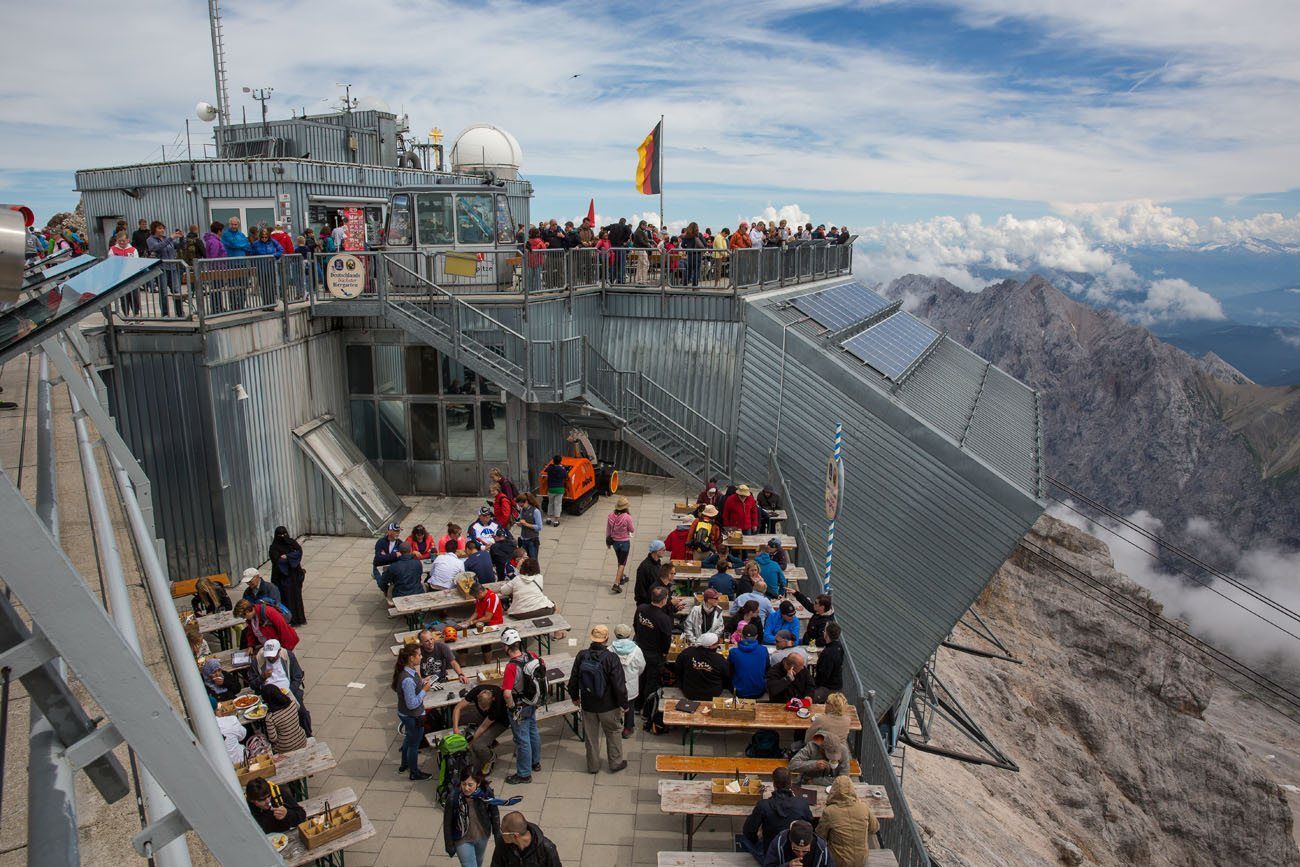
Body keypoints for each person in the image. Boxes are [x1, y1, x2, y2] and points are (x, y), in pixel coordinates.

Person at [568, 624, 629, 774]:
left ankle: (593, 766)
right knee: (613, 733)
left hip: (588, 704)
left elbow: (573, 679)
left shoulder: (582, 655)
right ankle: (615, 763)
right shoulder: (611, 658)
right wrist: (624, 704)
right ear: (606, 639)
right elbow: (619, 685)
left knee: (590, 736)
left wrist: (575, 697)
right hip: (609, 705)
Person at [499, 628, 545, 785]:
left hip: (519, 706)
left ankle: (524, 774)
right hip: (532, 702)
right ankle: (535, 762)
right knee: (533, 731)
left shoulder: (511, 667)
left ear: (506, 646)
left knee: (522, 740)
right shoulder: (532, 655)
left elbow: (506, 693)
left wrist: (511, 708)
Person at [739, 766, 813, 861]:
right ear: (790, 783)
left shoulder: (763, 805)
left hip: (770, 855)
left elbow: (748, 831)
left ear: (773, 784)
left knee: (744, 839)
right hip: (794, 852)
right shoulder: (802, 803)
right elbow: (810, 825)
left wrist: (760, 839)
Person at [442, 768, 503, 867]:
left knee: (478, 862)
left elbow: (494, 812)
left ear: (478, 783)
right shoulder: (453, 797)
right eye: (463, 784)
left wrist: (497, 835)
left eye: (470, 785)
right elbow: (447, 822)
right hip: (461, 838)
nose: (466, 788)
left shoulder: (486, 793)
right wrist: (449, 844)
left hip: (481, 835)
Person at [452, 680, 511, 775]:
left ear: (492, 700)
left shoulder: (497, 704)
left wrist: (470, 743)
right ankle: (491, 742)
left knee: (478, 745)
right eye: (482, 707)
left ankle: (490, 758)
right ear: (477, 698)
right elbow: (457, 708)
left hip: (501, 721)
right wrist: (455, 728)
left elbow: (483, 727)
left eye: (486, 708)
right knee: (460, 718)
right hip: (483, 717)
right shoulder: (476, 691)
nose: (485, 709)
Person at [819, 774, 880, 866]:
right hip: (862, 859)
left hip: (840, 861)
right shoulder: (863, 807)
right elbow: (875, 828)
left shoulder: (829, 812)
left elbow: (820, 836)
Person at [633, 585, 674, 719]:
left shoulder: (641, 609)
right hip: (653, 654)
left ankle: (637, 706)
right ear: (663, 600)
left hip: (639, 650)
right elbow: (666, 640)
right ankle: (647, 711)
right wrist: (664, 653)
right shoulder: (663, 619)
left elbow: (635, 625)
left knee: (640, 678)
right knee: (651, 681)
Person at [393, 645, 433, 780]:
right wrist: (424, 690)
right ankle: (414, 772)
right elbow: (412, 704)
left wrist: (422, 682)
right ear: (411, 658)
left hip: (404, 714)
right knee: (414, 745)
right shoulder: (408, 679)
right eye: (419, 655)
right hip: (412, 716)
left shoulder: (408, 671)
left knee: (409, 739)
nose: (421, 657)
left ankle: (404, 764)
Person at [610, 623, 644, 738]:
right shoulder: (636, 650)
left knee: (615, 704)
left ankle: (616, 723)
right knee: (630, 705)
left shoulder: (610, 650)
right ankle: (628, 728)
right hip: (631, 684)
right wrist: (635, 676)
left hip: (614, 684)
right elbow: (641, 666)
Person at [491, 811, 561, 867]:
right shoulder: (502, 843)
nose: (501, 834)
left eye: (503, 832)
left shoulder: (546, 848)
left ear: (515, 835)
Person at [268, 525, 307, 626]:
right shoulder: (274, 548)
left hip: (294, 576)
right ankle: (290, 620)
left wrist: (288, 557)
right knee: (286, 598)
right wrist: (289, 558)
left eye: (284, 534)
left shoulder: (291, 542)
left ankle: (299, 619)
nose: (283, 536)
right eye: (280, 534)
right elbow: (277, 561)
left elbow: (299, 551)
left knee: (297, 598)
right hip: (283, 578)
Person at [676, 632, 730, 701]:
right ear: (710, 646)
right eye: (717, 643)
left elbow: (678, 668)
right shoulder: (719, 659)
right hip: (713, 694)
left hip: (690, 692)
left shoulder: (687, 652)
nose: (718, 645)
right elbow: (727, 674)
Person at [762, 819, 834, 867]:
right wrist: (787, 865)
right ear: (790, 841)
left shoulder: (821, 847)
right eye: (796, 850)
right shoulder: (779, 842)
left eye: (805, 851)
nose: (800, 854)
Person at [234, 598, 298, 651]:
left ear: (247, 612)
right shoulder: (250, 619)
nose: (244, 618)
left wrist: (284, 649)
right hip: (269, 647)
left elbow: (283, 629)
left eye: (243, 616)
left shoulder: (269, 612)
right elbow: (251, 632)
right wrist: (251, 645)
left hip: (283, 645)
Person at [260, 683, 308, 754]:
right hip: (301, 739)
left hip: (285, 747)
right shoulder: (292, 704)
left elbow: (273, 739)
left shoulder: (270, 718)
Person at [729, 623, 769, 699]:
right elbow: (766, 668)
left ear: (741, 636)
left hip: (739, 692)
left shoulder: (734, 652)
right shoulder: (763, 650)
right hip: (758, 691)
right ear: (756, 636)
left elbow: (730, 670)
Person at [606, 496, 635, 594]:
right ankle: (616, 583)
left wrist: (607, 542)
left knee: (619, 560)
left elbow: (608, 530)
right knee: (623, 563)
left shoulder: (610, 516)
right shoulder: (627, 517)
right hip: (624, 542)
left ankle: (622, 577)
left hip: (614, 542)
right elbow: (632, 530)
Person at [813, 623, 845, 701]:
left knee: (808, 698)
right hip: (837, 684)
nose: (823, 632)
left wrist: (812, 685)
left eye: (824, 631)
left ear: (826, 635)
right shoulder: (839, 646)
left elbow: (823, 676)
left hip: (829, 688)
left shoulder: (828, 653)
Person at [633, 540, 667, 606]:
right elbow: (640, 587)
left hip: (655, 599)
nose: (665, 552)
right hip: (648, 602)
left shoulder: (657, 563)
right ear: (657, 551)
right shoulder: (645, 567)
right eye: (663, 550)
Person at [373, 522, 403, 589]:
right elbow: (378, 559)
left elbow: (401, 558)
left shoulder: (400, 543)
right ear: (389, 532)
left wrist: (386, 556)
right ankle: (388, 593)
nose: (398, 533)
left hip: (393, 566)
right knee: (382, 583)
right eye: (395, 531)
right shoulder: (381, 542)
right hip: (379, 567)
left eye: (398, 531)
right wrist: (395, 555)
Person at [514, 493, 543, 560]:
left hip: (532, 540)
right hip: (523, 539)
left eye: (521, 504)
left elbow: (539, 527)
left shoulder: (536, 511)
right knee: (524, 560)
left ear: (526, 501)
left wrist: (526, 524)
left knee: (533, 560)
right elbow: (523, 523)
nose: (520, 506)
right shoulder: (522, 510)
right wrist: (520, 524)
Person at [542, 456, 568, 527]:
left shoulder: (550, 468)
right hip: (560, 489)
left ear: (553, 461)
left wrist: (550, 465)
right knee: (558, 504)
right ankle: (556, 521)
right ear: (560, 461)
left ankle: (548, 518)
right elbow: (566, 476)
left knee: (550, 503)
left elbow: (545, 469)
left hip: (551, 489)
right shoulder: (562, 469)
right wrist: (562, 467)